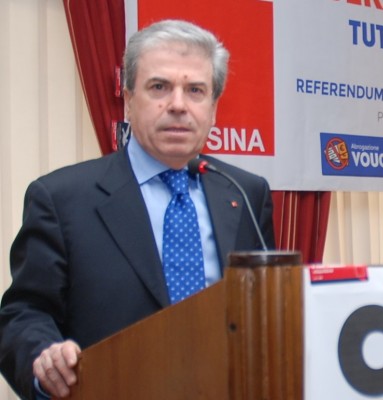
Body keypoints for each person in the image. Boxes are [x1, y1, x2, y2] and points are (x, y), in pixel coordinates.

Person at [0, 19, 275, 399]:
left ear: (213, 108)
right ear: (129, 100)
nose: (177, 105)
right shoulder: (61, 199)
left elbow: (266, 305)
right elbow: (24, 312)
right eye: (159, 87)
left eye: (195, 90)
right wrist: (44, 357)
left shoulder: (245, 192)